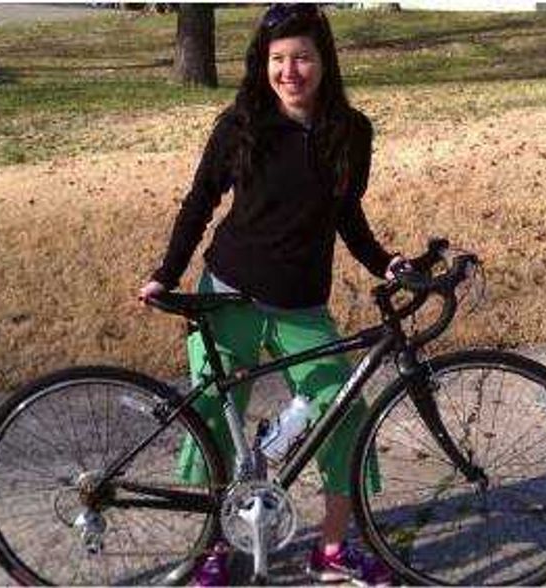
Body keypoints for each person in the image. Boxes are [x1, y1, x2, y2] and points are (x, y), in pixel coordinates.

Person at [139, 4, 407, 585]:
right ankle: (211, 550)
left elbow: (346, 215)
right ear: (263, 64)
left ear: (324, 61)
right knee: (214, 420)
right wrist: (167, 272)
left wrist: (387, 262)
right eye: (278, 59)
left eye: (302, 58)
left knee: (345, 414)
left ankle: (332, 550)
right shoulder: (241, 122)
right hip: (226, 297)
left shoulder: (351, 131)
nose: (290, 71)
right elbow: (199, 200)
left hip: (301, 305)